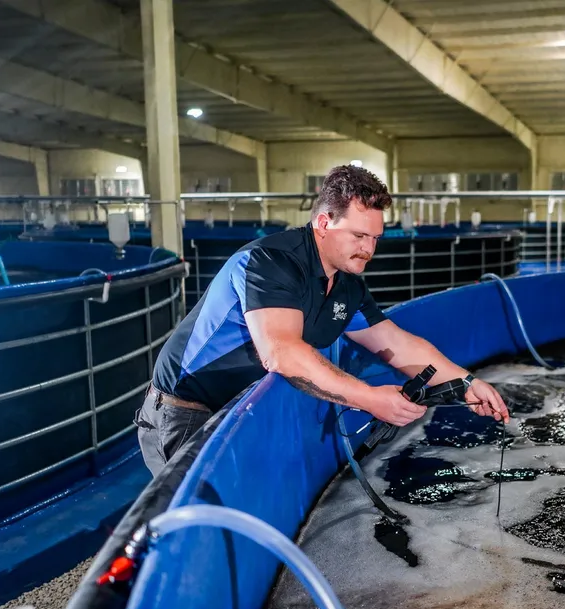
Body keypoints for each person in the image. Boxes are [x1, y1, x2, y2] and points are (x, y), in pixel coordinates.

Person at [134, 164, 511, 476]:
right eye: (359, 235)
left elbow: (396, 344)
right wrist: (369, 399)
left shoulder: (347, 283)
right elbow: (280, 353)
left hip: (238, 410)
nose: (368, 249)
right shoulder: (271, 262)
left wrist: (465, 383)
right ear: (323, 223)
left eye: (376, 238)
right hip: (186, 412)